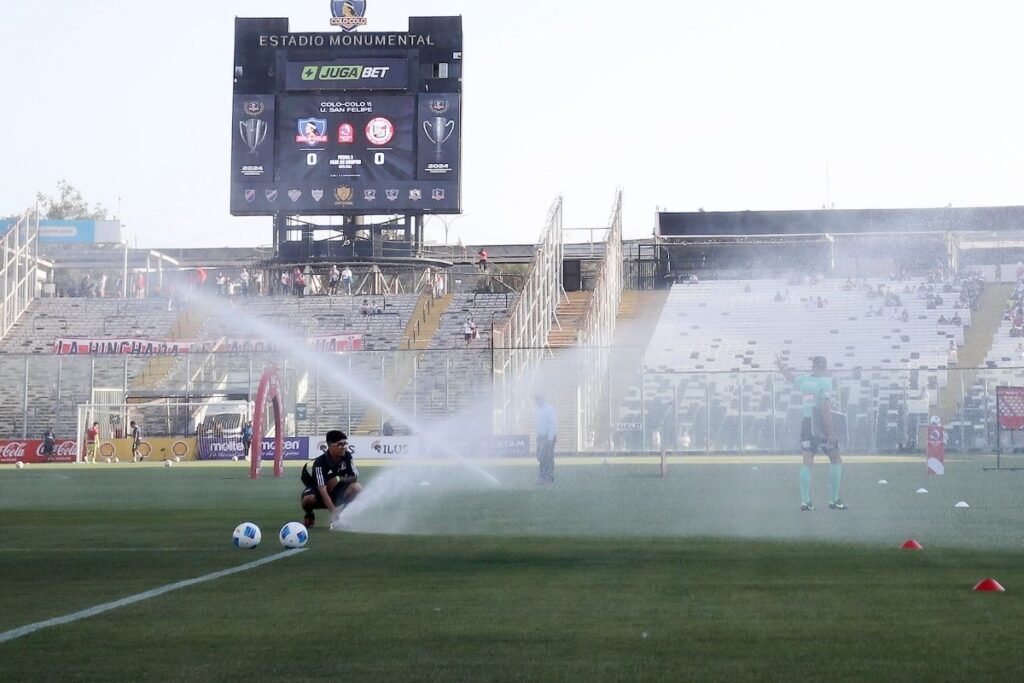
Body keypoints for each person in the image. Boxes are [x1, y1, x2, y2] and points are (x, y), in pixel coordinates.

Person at [776, 355, 845, 511]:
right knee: (835, 458)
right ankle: (834, 500)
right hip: (820, 422)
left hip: (807, 422)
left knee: (807, 460)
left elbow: (790, 377)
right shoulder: (825, 383)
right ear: (825, 368)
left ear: (812, 366)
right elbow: (825, 408)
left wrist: (781, 366)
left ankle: (805, 502)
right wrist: (831, 432)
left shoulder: (805, 381)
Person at [299, 430, 362, 528]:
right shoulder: (319, 463)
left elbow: (354, 477)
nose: (344, 447)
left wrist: (338, 478)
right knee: (308, 499)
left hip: (337, 493)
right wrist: (334, 513)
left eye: (345, 444)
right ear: (329, 445)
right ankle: (310, 514)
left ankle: (344, 517)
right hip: (319, 494)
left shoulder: (347, 457)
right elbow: (323, 491)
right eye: (340, 444)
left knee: (356, 487)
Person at [534, 394, 558, 485]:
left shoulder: (549, 409)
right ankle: (542, 477)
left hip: (548, 437)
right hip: (540, 437)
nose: (536, 402)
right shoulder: (537, 410)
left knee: (548, 458)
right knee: (541, 457)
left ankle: (548, 478)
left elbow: (553, 424)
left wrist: (550, 438)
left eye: (537, 399)